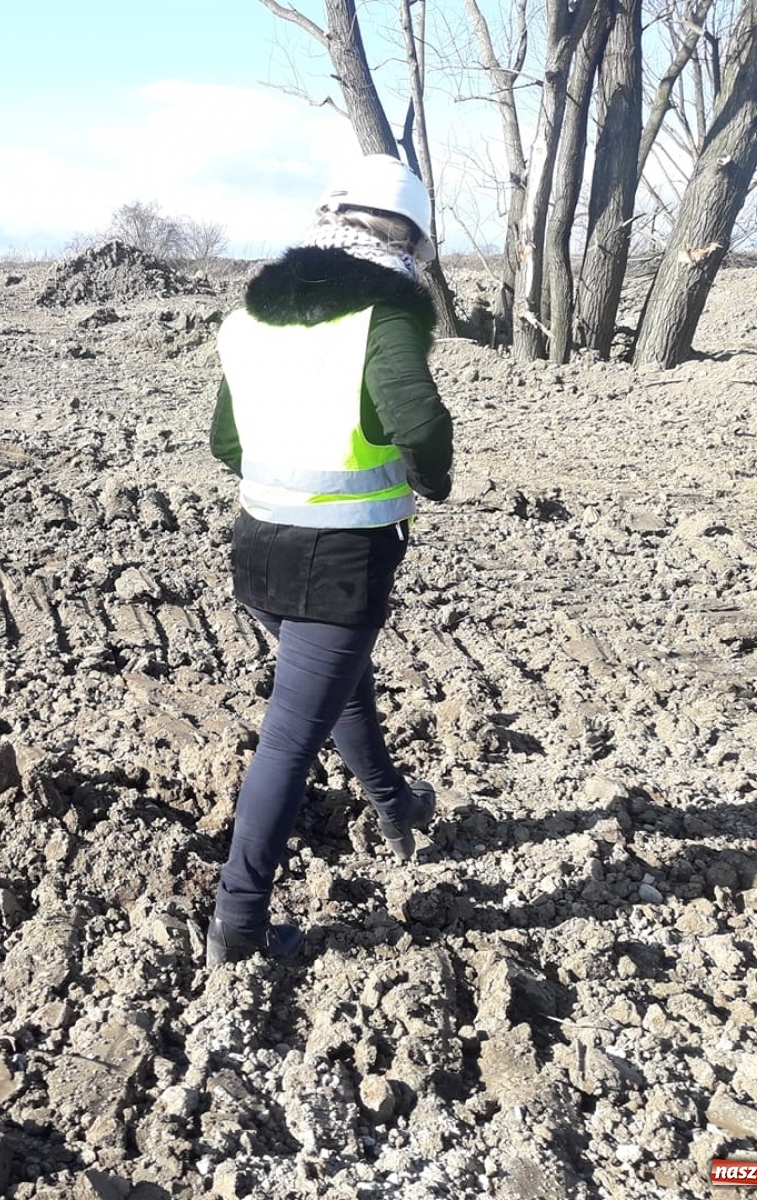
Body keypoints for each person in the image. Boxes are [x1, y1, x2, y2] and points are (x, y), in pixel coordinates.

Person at [205, 155, 454, 967]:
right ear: (406, 239)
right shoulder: (385, 315)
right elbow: (417, 421)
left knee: (340, 686)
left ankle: (395, 804)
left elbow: (225, 442)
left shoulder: (250, 320)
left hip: (259, 551)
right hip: (341, 560)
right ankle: (238, 925)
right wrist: (433, 477)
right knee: (288, 739)